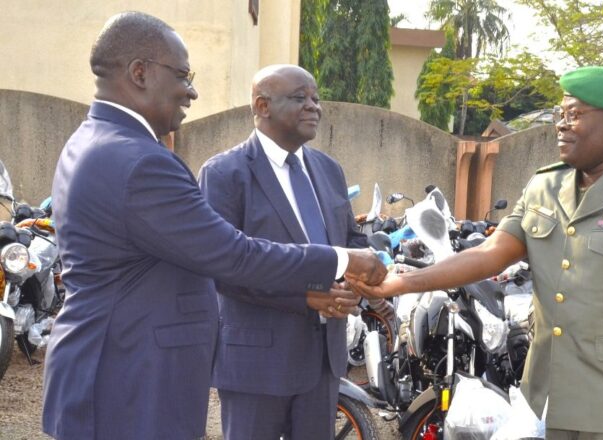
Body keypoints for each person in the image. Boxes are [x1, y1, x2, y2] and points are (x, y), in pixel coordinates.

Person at [41, 12, 385, 440]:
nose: (192, 90)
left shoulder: (96, 141)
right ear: (140, 73)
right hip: (129, 380)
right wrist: (343, 259)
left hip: (120, 373)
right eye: (183, 75)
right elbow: (233, 255)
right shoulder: (141, 160)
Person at [353, 66, 603, 440]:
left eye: (575, 115)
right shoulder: (545, 186)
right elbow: (489, 254)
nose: (562, 125)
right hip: (546, 395)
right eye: (561, 114)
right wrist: (400, 283)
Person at [197, 64, 366, 440]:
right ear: (262, 106)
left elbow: (351, 240)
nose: (314, 107)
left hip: (323, 361)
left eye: (316, 99)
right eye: (299, 98)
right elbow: (222, 268)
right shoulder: (225, 174)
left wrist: (352, 286)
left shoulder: (329, 170)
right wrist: (308, 297)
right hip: (257, 364)